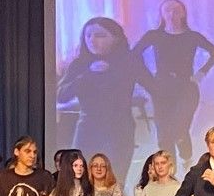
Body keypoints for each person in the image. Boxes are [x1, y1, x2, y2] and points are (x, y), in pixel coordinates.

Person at [57, 17, 147, 184]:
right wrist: (87, 75)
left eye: (99, 35)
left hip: (120, 128)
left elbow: (153, 86)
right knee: (81, 182)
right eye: (88, 36)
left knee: (115, 182)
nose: (92, 40)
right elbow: (61, 95)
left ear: (116, 38)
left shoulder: (129, 62)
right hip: (87, 128)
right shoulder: (80, 64)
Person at [133, 0, 214, 165]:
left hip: (186, 87)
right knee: (164, 133)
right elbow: (134, 54)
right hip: (161, 88)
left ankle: (186, 158)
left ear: (183, 13)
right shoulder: (154, 35)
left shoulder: (192, 36)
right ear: (162, 14)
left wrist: (202, 72)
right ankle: (169, 169)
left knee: (180, 128)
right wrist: (148, 80)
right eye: (167, 10)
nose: (171, 14)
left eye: (176, 10)